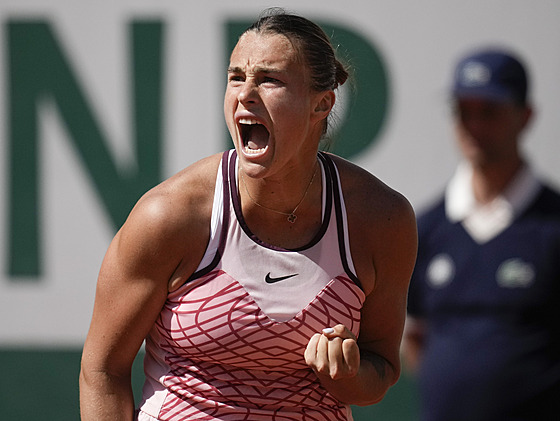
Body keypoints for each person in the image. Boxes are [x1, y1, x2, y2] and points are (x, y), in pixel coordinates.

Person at [79, 9, 417, 421]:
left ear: (321, 104)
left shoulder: (382, 219)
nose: (245, 94)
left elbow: (380, 370)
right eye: (236, 77)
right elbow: (102, 371)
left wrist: (345, 376)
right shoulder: (170, 215)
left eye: (270, 79)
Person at [402, 47, 560, 421]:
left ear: (525, 117)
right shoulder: (426, 227)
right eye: (462, 111)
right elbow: (415, 337)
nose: (474, 126)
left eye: (489, 111)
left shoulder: (553, 226)